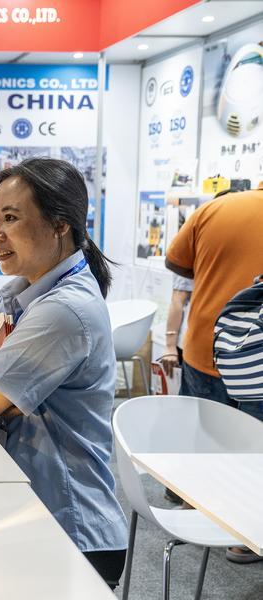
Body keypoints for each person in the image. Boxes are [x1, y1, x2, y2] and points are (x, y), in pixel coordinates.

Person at [0, 158, 128, 589]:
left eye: (10, 218)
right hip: (33, 510)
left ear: (60, 224)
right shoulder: (21, 294)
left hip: (71, 529)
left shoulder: (63, 310)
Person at [165, 182, 263, 564]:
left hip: (206, 342)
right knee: (253, 448)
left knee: (204, 434)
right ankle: (245, 536)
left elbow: (178, 264)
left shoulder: (214, 209)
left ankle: (194, 507)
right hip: (257, 360)